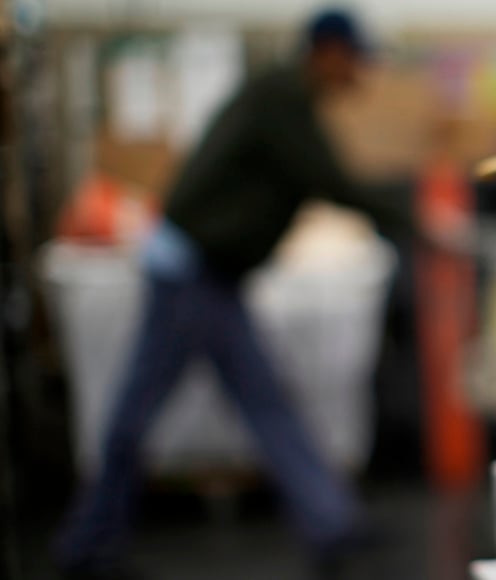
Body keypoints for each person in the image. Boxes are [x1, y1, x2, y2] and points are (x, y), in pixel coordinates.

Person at [55, 9, 445, 579]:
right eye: (354, 59)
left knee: (265, 400)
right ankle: (87, 544)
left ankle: (331, 522)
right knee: (140, 412)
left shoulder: (282, 96)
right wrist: (419, 226)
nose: (359, 72)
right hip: (190, 272)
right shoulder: (280, 99)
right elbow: (329, 179)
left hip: (208, 274)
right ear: (328, 51)